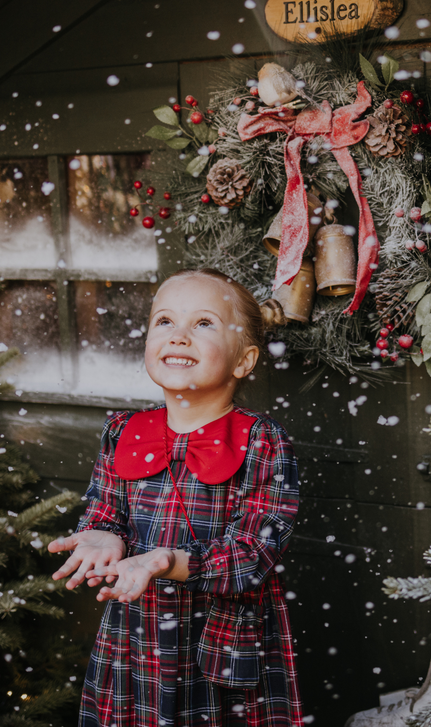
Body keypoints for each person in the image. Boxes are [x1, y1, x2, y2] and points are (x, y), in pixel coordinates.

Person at [48, 268, 304, 727]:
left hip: (221, 643)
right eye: (164, 321)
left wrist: (167, 561)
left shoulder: (262, 440)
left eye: (203, 323)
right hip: (136, 640)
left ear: (244, 360)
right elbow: (105, 511)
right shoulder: (122, 431)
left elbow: (254, 554)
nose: (179, 335)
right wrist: (103, 535)